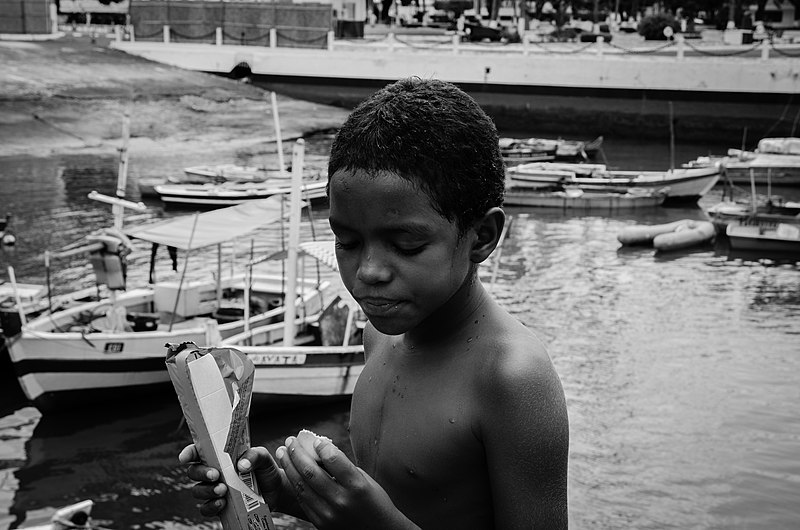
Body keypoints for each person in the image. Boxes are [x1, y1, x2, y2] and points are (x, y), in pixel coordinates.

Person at [179, 77, 570, 529]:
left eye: (405, 245)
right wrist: (282, 491)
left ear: (481, 237)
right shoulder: (378, 338)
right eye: (346, 241)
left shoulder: (513, 379)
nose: (368, 271)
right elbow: (397, 500)